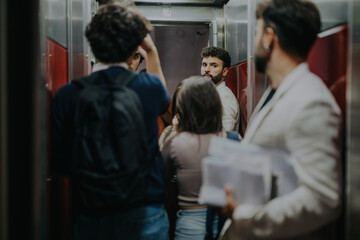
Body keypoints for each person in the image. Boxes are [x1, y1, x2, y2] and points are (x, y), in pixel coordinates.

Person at [220, 0, 342, 239]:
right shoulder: (277, 91)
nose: (253, 43)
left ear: (268, 37)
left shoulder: (310, 102)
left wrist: (246, 214)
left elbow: (322, 199)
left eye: (256, 33)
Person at [52, 2, 170, 239]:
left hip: (91, 212)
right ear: (135, 46)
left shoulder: (67, 94)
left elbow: (62, 165)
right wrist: (152, 50)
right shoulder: (149, 88)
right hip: (144, 209)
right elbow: (165, 103)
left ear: (92, 43)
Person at [161, 76, 223, 240]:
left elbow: (159, 182)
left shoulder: (175, 143)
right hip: (224, 224)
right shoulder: (232, 139)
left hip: (189, 227)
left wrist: (177, 132)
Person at [201, 46, 239, 132]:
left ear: (225, 71)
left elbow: (225, 134)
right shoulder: (210, 94)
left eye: (214, 66)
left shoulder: (225, 97)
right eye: (204, 65)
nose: (207, 69)